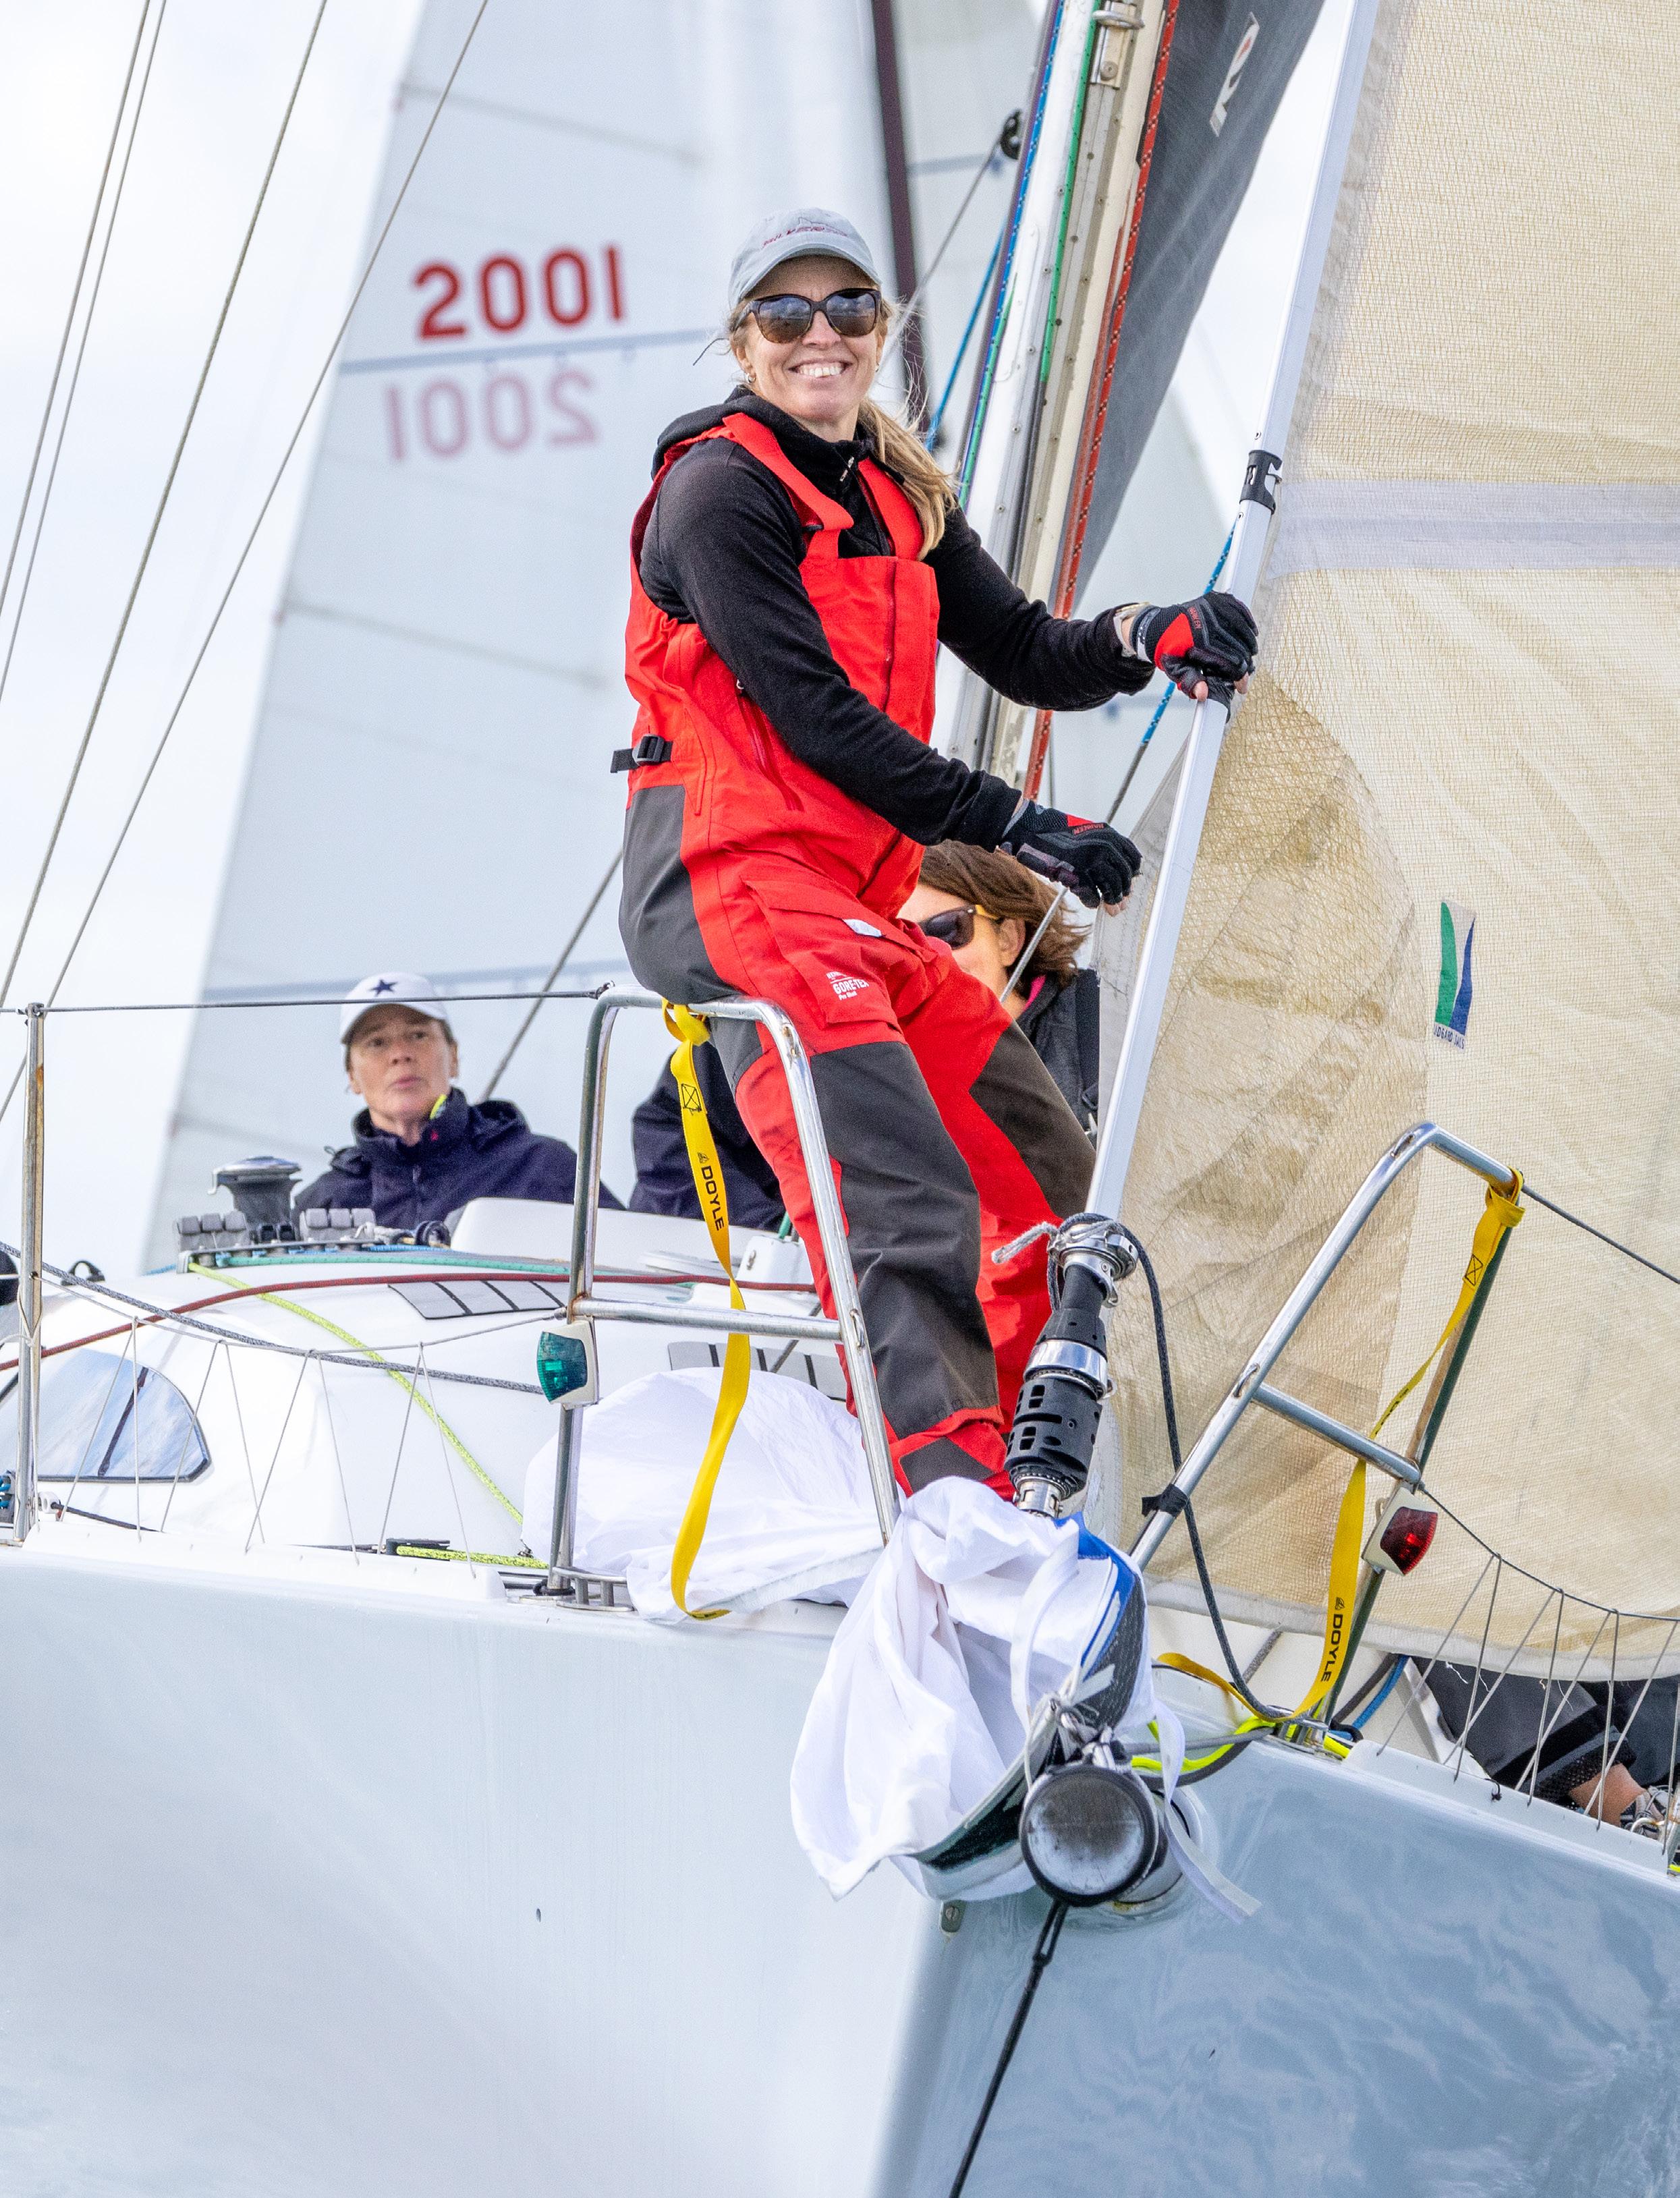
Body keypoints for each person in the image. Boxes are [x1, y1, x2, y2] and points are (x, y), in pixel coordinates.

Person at [616, 206, 1256, 1494]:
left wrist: (1147, 632)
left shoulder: (900, 496)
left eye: (848, 306)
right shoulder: (718, 491)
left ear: (882, 327)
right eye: (787, 312)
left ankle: (1039, 1477)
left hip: (851, 899)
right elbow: (813, 713)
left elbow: (1023, 649)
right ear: (744, 342)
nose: (821, 333)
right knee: (904, 1191)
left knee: (1046, 1169)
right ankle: (948, 1499)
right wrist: (1018, 823)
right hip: (731, 883)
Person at [296, 971, 617, 1233]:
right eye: (377, 1042)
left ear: (453, 1057)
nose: (400, 1054)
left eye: (418, 1035)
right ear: (352, 1076)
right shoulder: (321, 1205)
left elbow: (629, 1272)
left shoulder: (542, 1167)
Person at [902, 842, 1102, 1133]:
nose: (929, 959)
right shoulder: (888, 1074)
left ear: (1008, 938)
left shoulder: (1105, 1018)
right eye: (902, 944)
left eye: (947, 930)